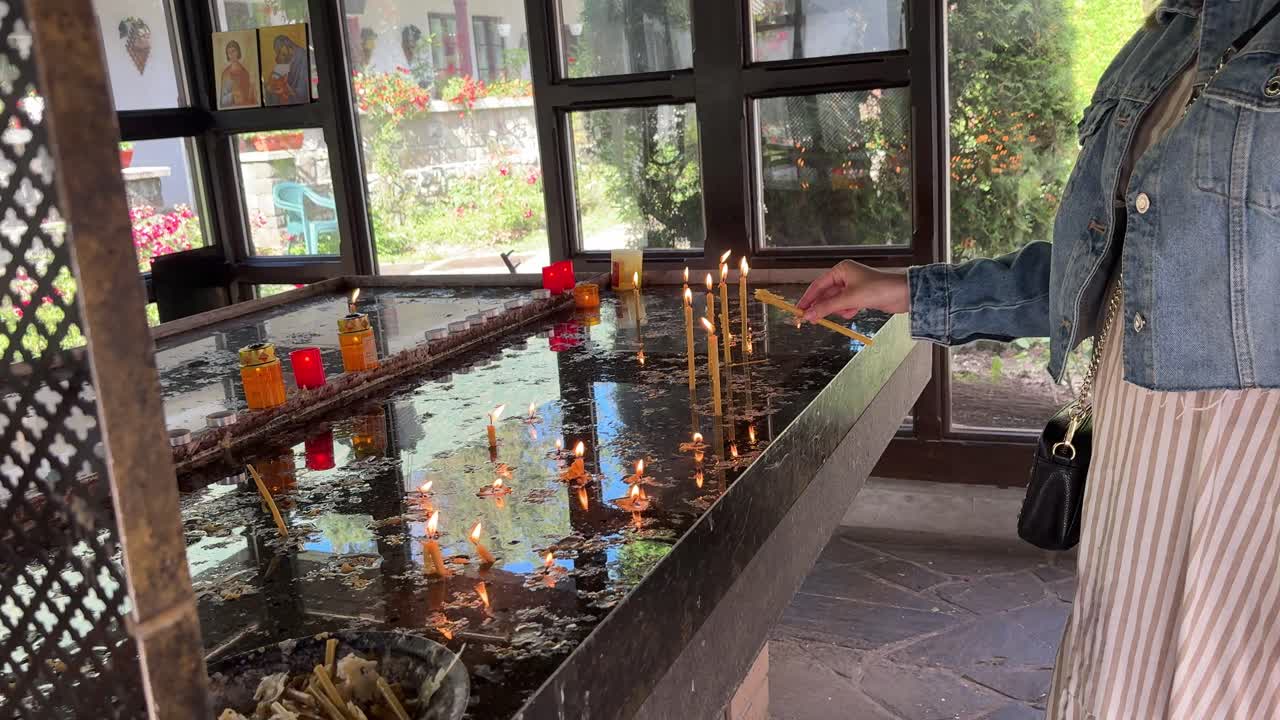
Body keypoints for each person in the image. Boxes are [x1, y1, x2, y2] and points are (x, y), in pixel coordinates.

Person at [797, 0, 1280, 717]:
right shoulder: (1166, 36)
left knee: (1223, 675)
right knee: (1121, 665)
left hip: (1253, 446)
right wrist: (903, 290)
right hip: (1137, 418)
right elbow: (1104, 267)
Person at [266, 34, 309, 105]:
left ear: (287, 44)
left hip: (299, 99)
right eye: (278, 53)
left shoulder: (303, 57)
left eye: (279, 51)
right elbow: (276, 76)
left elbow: (302, 91)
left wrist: (285, 89)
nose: (279, 54)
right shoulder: (287, 58)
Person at [219, 40, 256, 108]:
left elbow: (250, 98)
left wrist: (252, 85)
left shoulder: (245, 72)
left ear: (238, 52)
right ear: (227, 55)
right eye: (229, 52)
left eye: (233, 51)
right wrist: (233, 94)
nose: (231, 55)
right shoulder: (226, 73)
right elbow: (223, 101)